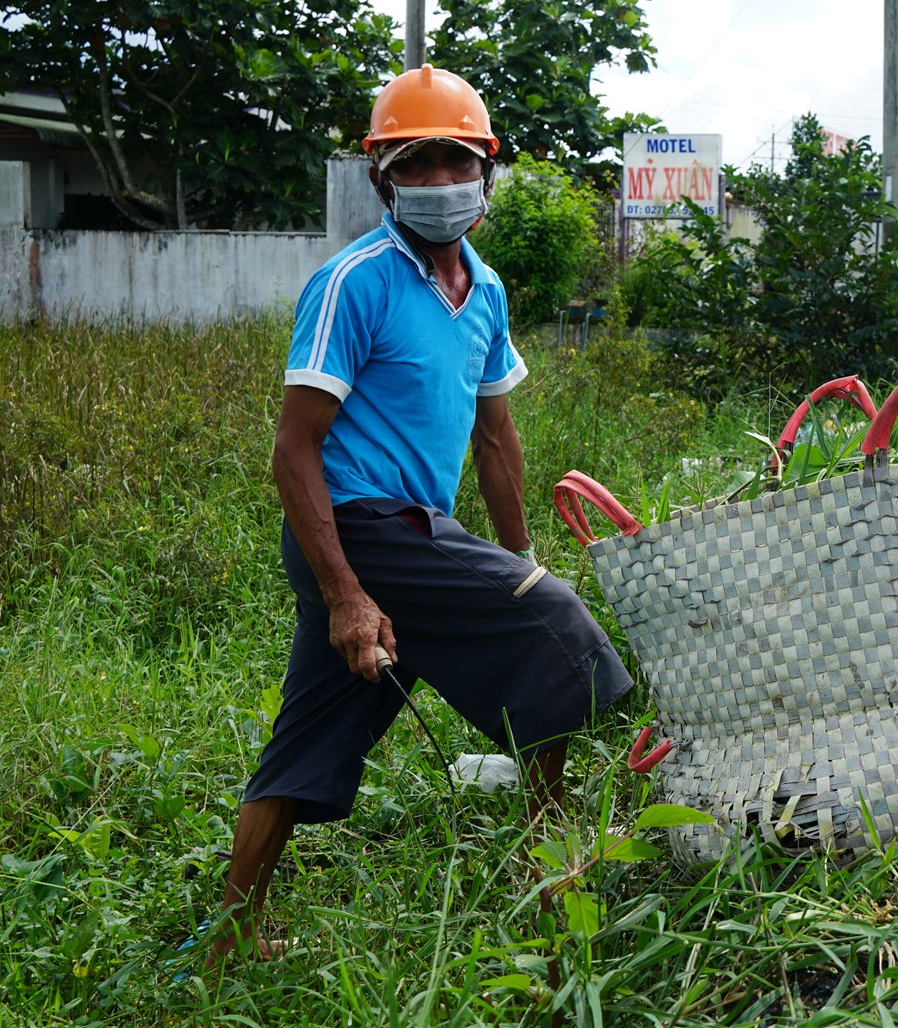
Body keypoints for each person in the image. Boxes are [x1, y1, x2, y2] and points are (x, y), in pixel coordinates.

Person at [207, 66, 633, 961]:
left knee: (311, 733)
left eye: (455, 162)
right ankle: (552, 867)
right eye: (416, 165)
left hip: (409, 533)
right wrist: (349, 596)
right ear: (382, 178)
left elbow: (496, 438)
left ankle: (226, 940)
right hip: (361, 526)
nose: (439, 182)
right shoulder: (351, 283)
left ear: (486, 170)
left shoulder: (485, 290)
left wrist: (519, 555)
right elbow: (294, 450)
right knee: (554, 630)